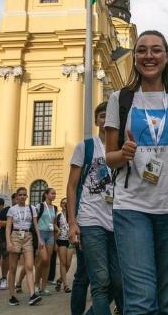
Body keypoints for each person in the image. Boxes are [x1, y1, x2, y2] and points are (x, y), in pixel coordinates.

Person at [105, 29, 168, 314]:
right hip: (132, 208)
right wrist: (122, 154)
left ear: (166, 56)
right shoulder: (120, 100)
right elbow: (109, 157)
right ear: (134, 57)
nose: (149, 56)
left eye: (156, 50)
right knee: (140, 300)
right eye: (142, 50)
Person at [68, 101, 122, 315]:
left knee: (118, 281)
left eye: (109, 116)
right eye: (102, 116)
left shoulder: (121, 147)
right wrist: (72, 223)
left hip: (117, 221)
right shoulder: (86, 146)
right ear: (97, 120)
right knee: (100, 282)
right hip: (91, 221)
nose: (105, 119)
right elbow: (72, 186)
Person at [6, 186, 43, 306]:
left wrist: (40, 239)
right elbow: (8, 227)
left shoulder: (32, 208)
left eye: (24, 194)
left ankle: (32, 295)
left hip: (28, 236)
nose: (22, 197)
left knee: (29, 266)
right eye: (20, 195)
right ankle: (12, 295)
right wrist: (8, 242)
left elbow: (36, 226)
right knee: (12, 268)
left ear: (27, 196)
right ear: (16, 197)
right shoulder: (12, 209)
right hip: (15, 235)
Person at [35, 187, 58, 296]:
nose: (54, 195)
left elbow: (53, 222)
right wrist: (38, 237)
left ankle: (43, 287)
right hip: (41, 233)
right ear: (46, 195)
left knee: (47, 261)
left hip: (50, 235)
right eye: (52, 193)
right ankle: (36, 284)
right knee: (42, 260)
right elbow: (34, 221)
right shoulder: (39, 206)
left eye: (55, 194)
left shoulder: (55, 208)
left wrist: (56, 230)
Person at [54, 197, 73, 293]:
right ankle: (65, 285)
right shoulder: (58, 215)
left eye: (66, 203)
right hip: (61, 240)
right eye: (63, 203)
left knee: (68, 264)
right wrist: (57, 230)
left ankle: (60, 279)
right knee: (63, 262)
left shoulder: (72, 215)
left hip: (70, 240)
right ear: (61, 205)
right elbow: (53, 225)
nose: (65, 205)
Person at [0, 193, 16, 290]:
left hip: (18, 238)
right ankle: (4, 278)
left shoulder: (25, 210)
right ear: (13, 199)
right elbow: (0, 223)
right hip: (5, 238)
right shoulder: (6, 210)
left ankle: (11, 278)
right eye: (17, 198)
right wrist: (13, 221)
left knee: (14, 259)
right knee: (6, 258)